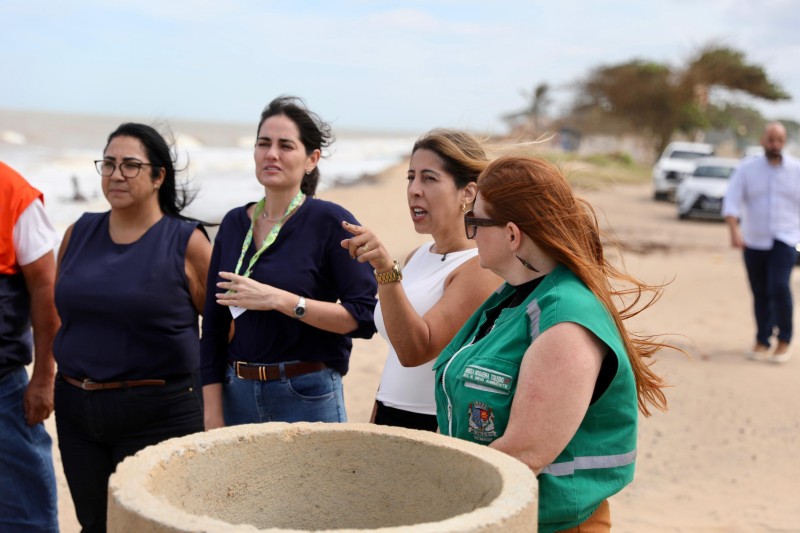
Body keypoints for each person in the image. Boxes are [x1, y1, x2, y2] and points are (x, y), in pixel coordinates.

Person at [434, 156, 670, 532]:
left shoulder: (566, 322)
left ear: (512, 234)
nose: (471, 233)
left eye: (475, 221)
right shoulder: (515, 297)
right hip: (503, 515)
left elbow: (525, 455)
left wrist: (436, 502)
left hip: (550, 524)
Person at [54, 123, 212, 532]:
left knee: (151, 528)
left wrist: (214, 409)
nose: (116, 174)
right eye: (108, 164)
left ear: (159, 175)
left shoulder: (187, 242)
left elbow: (220, 332)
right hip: (76, 410)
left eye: (130, 165)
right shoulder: (77, 232)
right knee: (95, 525)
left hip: (160, 412)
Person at [200, 96, 377, 429]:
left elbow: (364, 317)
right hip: (236, 393)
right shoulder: (233, 224)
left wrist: (281, 301)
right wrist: (212, 411)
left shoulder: (330, 222)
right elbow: (212, 326)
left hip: (307, 394)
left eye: (285, 145)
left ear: (311, 159)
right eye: (263, 143)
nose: (271, 154)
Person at [341, 129, 502, 431]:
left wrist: (385, 271)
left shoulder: (480, 267)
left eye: (429, 178)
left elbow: (414, 350)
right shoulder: (418, 255)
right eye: (410, 177)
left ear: (467, 193)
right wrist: (377, 413)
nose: (414, 189)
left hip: (435, 424)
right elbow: (395, 358)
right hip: (388, 415)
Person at [0, 161, 59, 532]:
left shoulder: (12, 192)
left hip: (2, 388)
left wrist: (43, 376)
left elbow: (45, 288)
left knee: (26, 517)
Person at [722, 121, 800, 364]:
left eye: (779, 140)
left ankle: (785, 339)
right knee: (760, 291)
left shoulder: (796, 170)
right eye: (771, 139)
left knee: (779, 286)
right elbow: (732, 199)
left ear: (784, 142)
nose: (775, 144)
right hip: (754, 239)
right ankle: (762, 338)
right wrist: (734, 230)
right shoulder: (747, 169)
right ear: (762, 140)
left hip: (786, 238)